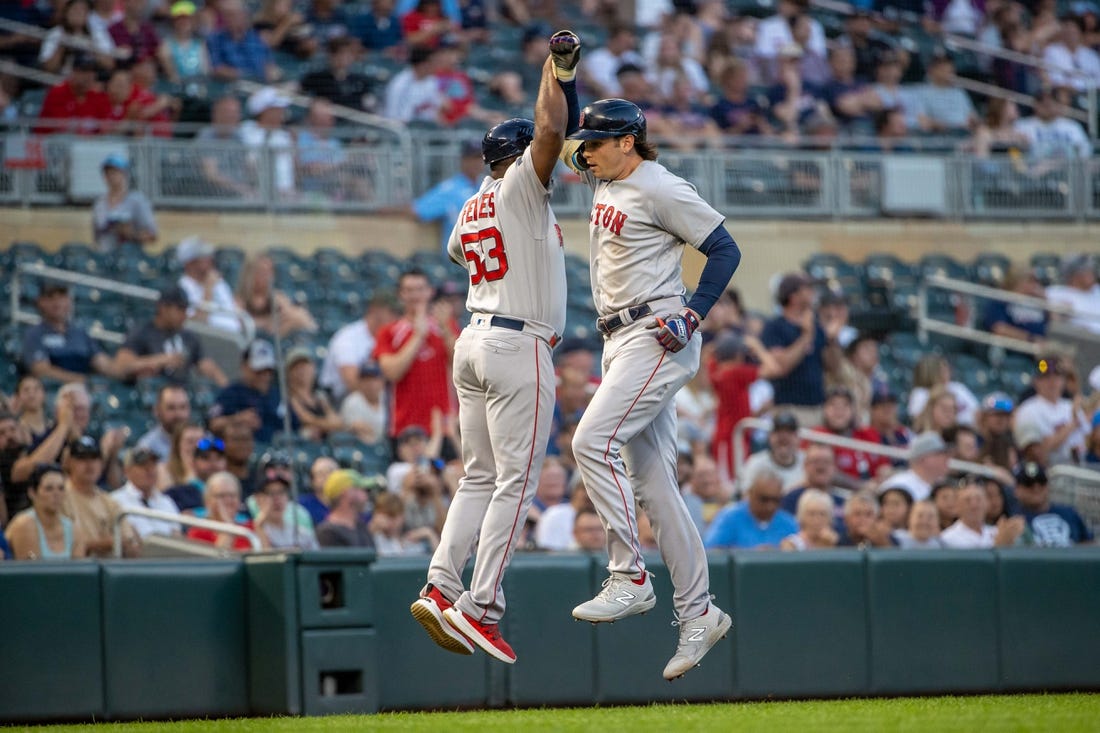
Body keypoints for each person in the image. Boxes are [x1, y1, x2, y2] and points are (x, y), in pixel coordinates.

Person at [560, 92, 742, 681]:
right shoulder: (600, 171)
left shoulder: (660, 186)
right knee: (657, 487)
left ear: (628, 142)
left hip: (656, 330)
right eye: (585, 142)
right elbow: (560, 131)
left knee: (591, 441)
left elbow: (724, 248)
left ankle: (629, 576)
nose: (585, 151)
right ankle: (700, 614)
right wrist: (566, 78)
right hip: (619, 336)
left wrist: (693, 314)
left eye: (598, 142)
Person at [410, 32, 576, 666]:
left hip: (473, 341)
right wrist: (553, 71)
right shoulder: (519, 189)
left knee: (478, 476)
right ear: (519, 158)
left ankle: (441, 583)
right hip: (516, 344)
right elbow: (551, 128)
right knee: (517, 480)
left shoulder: (473, 205)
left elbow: (459, 252)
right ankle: (480, 606)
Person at [373, 269, 457, 439]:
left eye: (420, 289)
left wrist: (446, 330)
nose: (415, 295)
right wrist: (418, 336)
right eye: (409, 290)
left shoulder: (446, 326)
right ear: (401, 294)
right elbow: (392, 372)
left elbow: (462, 365)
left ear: (430, 292)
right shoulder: (389, 331)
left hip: (444, 426)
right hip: (405, 427)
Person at [761, 272, 843, 427]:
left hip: (818, 408)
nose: (814, 293)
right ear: (793, 296)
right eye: (808, 288)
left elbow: (834, 367)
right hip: (789, 409)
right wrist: (806, 337)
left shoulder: (816, 327)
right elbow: (781, 366)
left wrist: (832, 340)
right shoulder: (775, 327)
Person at [114, 285, 228, 387]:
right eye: (180, 309)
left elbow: (206, 365)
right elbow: (121, 366)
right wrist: (159, 360)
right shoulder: (141, 333)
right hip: (150, 394)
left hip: (182, 394)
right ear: (163, 308)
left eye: (186, 309)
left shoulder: (189, 337)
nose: (184, 315)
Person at [21, 280, 115, 383]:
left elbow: (102, 362)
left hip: (82, 392)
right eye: (50, 297)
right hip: (52, 391)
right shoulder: (34, 334)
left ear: (69, 300)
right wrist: (79, 380)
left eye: (61, 296)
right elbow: (41, 370)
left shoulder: (80, 333)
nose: (57, 302)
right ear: (40, 302)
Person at [61, 435, 139, 557]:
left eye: (94, 458)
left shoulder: (110, 502)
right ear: (69, 463)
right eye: (82, 458)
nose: (89, 464)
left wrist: (129, 542)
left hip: (110, 569)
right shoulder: (59, 497)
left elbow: (129, 543)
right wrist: (107, 543)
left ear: (102, 463)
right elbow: (61, 544)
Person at [319, 294, 398, 404]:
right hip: (340, 400)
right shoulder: (348, 337)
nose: (396, 317)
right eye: (391, 312)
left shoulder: (391, 338)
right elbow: (351, 381)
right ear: (374, 310)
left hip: (374, 402)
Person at [408, 142, 485, 253]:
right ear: (463, 160)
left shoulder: (486, 187)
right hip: (458, 263)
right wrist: (380, 211)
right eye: (472, 158)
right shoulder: (451, 188)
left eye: (480, 158)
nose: (477, 163)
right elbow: (417, 210)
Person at [1013, 355, 1089, 465]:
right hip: (1048, 473)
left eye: (1057, 376)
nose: (1052, 381)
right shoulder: (1027, 409)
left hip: (1080, 469)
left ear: (1063, 381)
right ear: (1036, 381)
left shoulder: (1070, 406)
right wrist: (1072, 425)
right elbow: (1038, 452)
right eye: (1046, 377)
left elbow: (1090, 442)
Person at [4, 463, 88, 560]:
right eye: (49, 489)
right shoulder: (24, 524)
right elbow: (32, 570)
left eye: (61, 488)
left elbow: (78, 571)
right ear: (32, 493)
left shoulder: (74, 530)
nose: (56, 494)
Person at [207, 339, 281, 444]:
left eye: (268, 371)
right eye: (259, 371)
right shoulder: (231, 393)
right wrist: (237, 419)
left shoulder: (276, 395)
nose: (265, 376)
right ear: (245, 366)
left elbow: (297, 426)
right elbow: (213, 424)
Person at [704, 471, 798, 549]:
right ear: (751, 494)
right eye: (764, 499)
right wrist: (750, 555)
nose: (770, 506)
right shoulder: (729, 517)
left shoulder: (789, 523)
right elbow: (710, 551)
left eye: (776, 500)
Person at [176, 236, 247, 335]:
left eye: (209, 256)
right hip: (209, 340)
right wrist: (208, 291)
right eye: (203, 258)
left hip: (236, 338)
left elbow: (236, 314)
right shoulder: (182, 288)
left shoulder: (218, 282)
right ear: (190, 263)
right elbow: (196, 324)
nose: (210, 260)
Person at [234, 255, 317, 338]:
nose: (267, 276)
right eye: (262, 271)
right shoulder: (241, 299)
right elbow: (237, 323)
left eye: (269, 271)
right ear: (251, 274)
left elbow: (301, 320)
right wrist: (266, 322)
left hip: (274, 340)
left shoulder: (277, 298)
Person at [1013, 461, 1093, 546]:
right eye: (1028, 483)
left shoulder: (1069, 513)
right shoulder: (1013, 520)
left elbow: (1089, 544)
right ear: (1016, 490)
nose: (1036, 488)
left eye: (1041, 482)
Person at [109, 446, 181, 539]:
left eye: (153, 464)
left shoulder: (166, 502)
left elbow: (177, 536)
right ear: (127, 471)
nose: (149, 470)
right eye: (142, 465)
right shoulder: (115, 501)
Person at [92, 155, 156, 252]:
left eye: (115, 172)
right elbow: (97, 236)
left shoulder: (136, 201)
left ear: (124, 174)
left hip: (130, 258)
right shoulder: (99, 204)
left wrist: (131, 234)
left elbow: (152, 235)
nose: (111, 176)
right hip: (105, 259)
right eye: (108, 173)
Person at [940, 476, 1025, 549]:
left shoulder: (996, 532)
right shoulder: (947, 539)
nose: (974, 505)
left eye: (979, 499)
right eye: (967, 500)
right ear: (957, 506)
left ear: (987, 503)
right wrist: (1000, 544)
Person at [36, 53, 111, 135]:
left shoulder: (98, 97)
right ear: (73, 72)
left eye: (92, 71)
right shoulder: (58, 93)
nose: (88, 76)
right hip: (50, 143)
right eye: (84, 71)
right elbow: (62, 129)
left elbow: (105, 130)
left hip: (86, 145)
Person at [250, 462, 319, 550]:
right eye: (270, 493)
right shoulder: (250, 532)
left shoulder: (302, 534)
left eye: (281, 492)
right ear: (258, 499)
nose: (277, 498)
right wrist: (259, 525)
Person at [207, 0, 277, 82]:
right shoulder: (215, 39)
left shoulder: (257, 37)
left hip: (260, 84)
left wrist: (271, 73)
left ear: (244, 15)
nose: (228, 19)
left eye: (233, 15)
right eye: (226, 15)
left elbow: (269, 63)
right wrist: (247, 75)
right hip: (232, 85)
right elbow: (217, 69)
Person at [299, 36, 374, 111]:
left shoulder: (360, 81)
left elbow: (368, 103)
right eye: (340, 53)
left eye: (349, 53)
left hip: (354, 120)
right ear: (331, 55)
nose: (345, 57)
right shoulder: (317, 78)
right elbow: (298, 92)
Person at [738, 411, 805, 493]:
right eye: (778, 431)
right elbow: (746, 496)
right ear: (770, 436)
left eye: (789, 432)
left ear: (798, 437)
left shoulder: (807, 463)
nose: (784, 437)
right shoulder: (755, 463)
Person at [185, 471, 254, 550]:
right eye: (221, 496)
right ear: (208, 501)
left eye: (232, 495)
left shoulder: (249, 529)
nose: (228, 500)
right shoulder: (197, 533)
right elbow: (218, 560)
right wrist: (228, 526)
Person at [285, 348, 343, 441]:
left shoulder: (319, 396)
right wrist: (328, 426)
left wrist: (324, 427)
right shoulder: (290, 397)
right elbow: (307, 419)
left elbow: (337, 422)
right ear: (289, 372)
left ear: (313, 367)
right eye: (296, 367)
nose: (302, 370)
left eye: (305, 365)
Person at [878, 431, 952, 502]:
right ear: (923, 459)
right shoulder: (899, 485)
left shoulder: (940, 486)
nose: (946, 458)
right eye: (939, 454)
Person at [166, 432, 227, 512]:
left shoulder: (236, 492)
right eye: (206, 458)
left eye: (218, 458)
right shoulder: (177, 494)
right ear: (193, 463)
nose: (213, 463)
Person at [316, 469, 376, 548]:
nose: (366, 496)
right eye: (362, 489)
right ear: (347, 493)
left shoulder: (361, 527)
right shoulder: (327, 532)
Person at [1045, 254, 1100, 336]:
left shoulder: (1097, 289)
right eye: (1087, 270)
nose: (1092, 273)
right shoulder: (1056, 293)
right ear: (1074, 275)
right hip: (1084, 340)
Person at [134, 384, 191, 460]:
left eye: (183, 407)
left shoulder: (202, 439)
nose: (178, 414)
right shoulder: (147, 447)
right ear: (157, 410)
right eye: (171, 408)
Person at [158, 0, 210, 83]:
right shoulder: (165, 46)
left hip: (200, 88)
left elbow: (206, 72)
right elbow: (173, 77)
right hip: (178, 90)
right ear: (173, 21)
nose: (184, 22)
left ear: (194, 21)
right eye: (179, 19)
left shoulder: (200, 44)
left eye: (188, 19)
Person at [339, 361, 387, 444]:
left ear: (382, 382)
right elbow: (360, 429)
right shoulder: (352, 401)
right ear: (360, 382)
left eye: (374, 379)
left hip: (386, 447)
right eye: (366, 380)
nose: (371, 384)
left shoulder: (388, 399)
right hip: (360, 448)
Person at [301, 455, 338, 525]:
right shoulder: (302, 505)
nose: (326, 476)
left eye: (330, 471)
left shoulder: (347, 503)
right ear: (312, 481)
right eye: (320, 473)